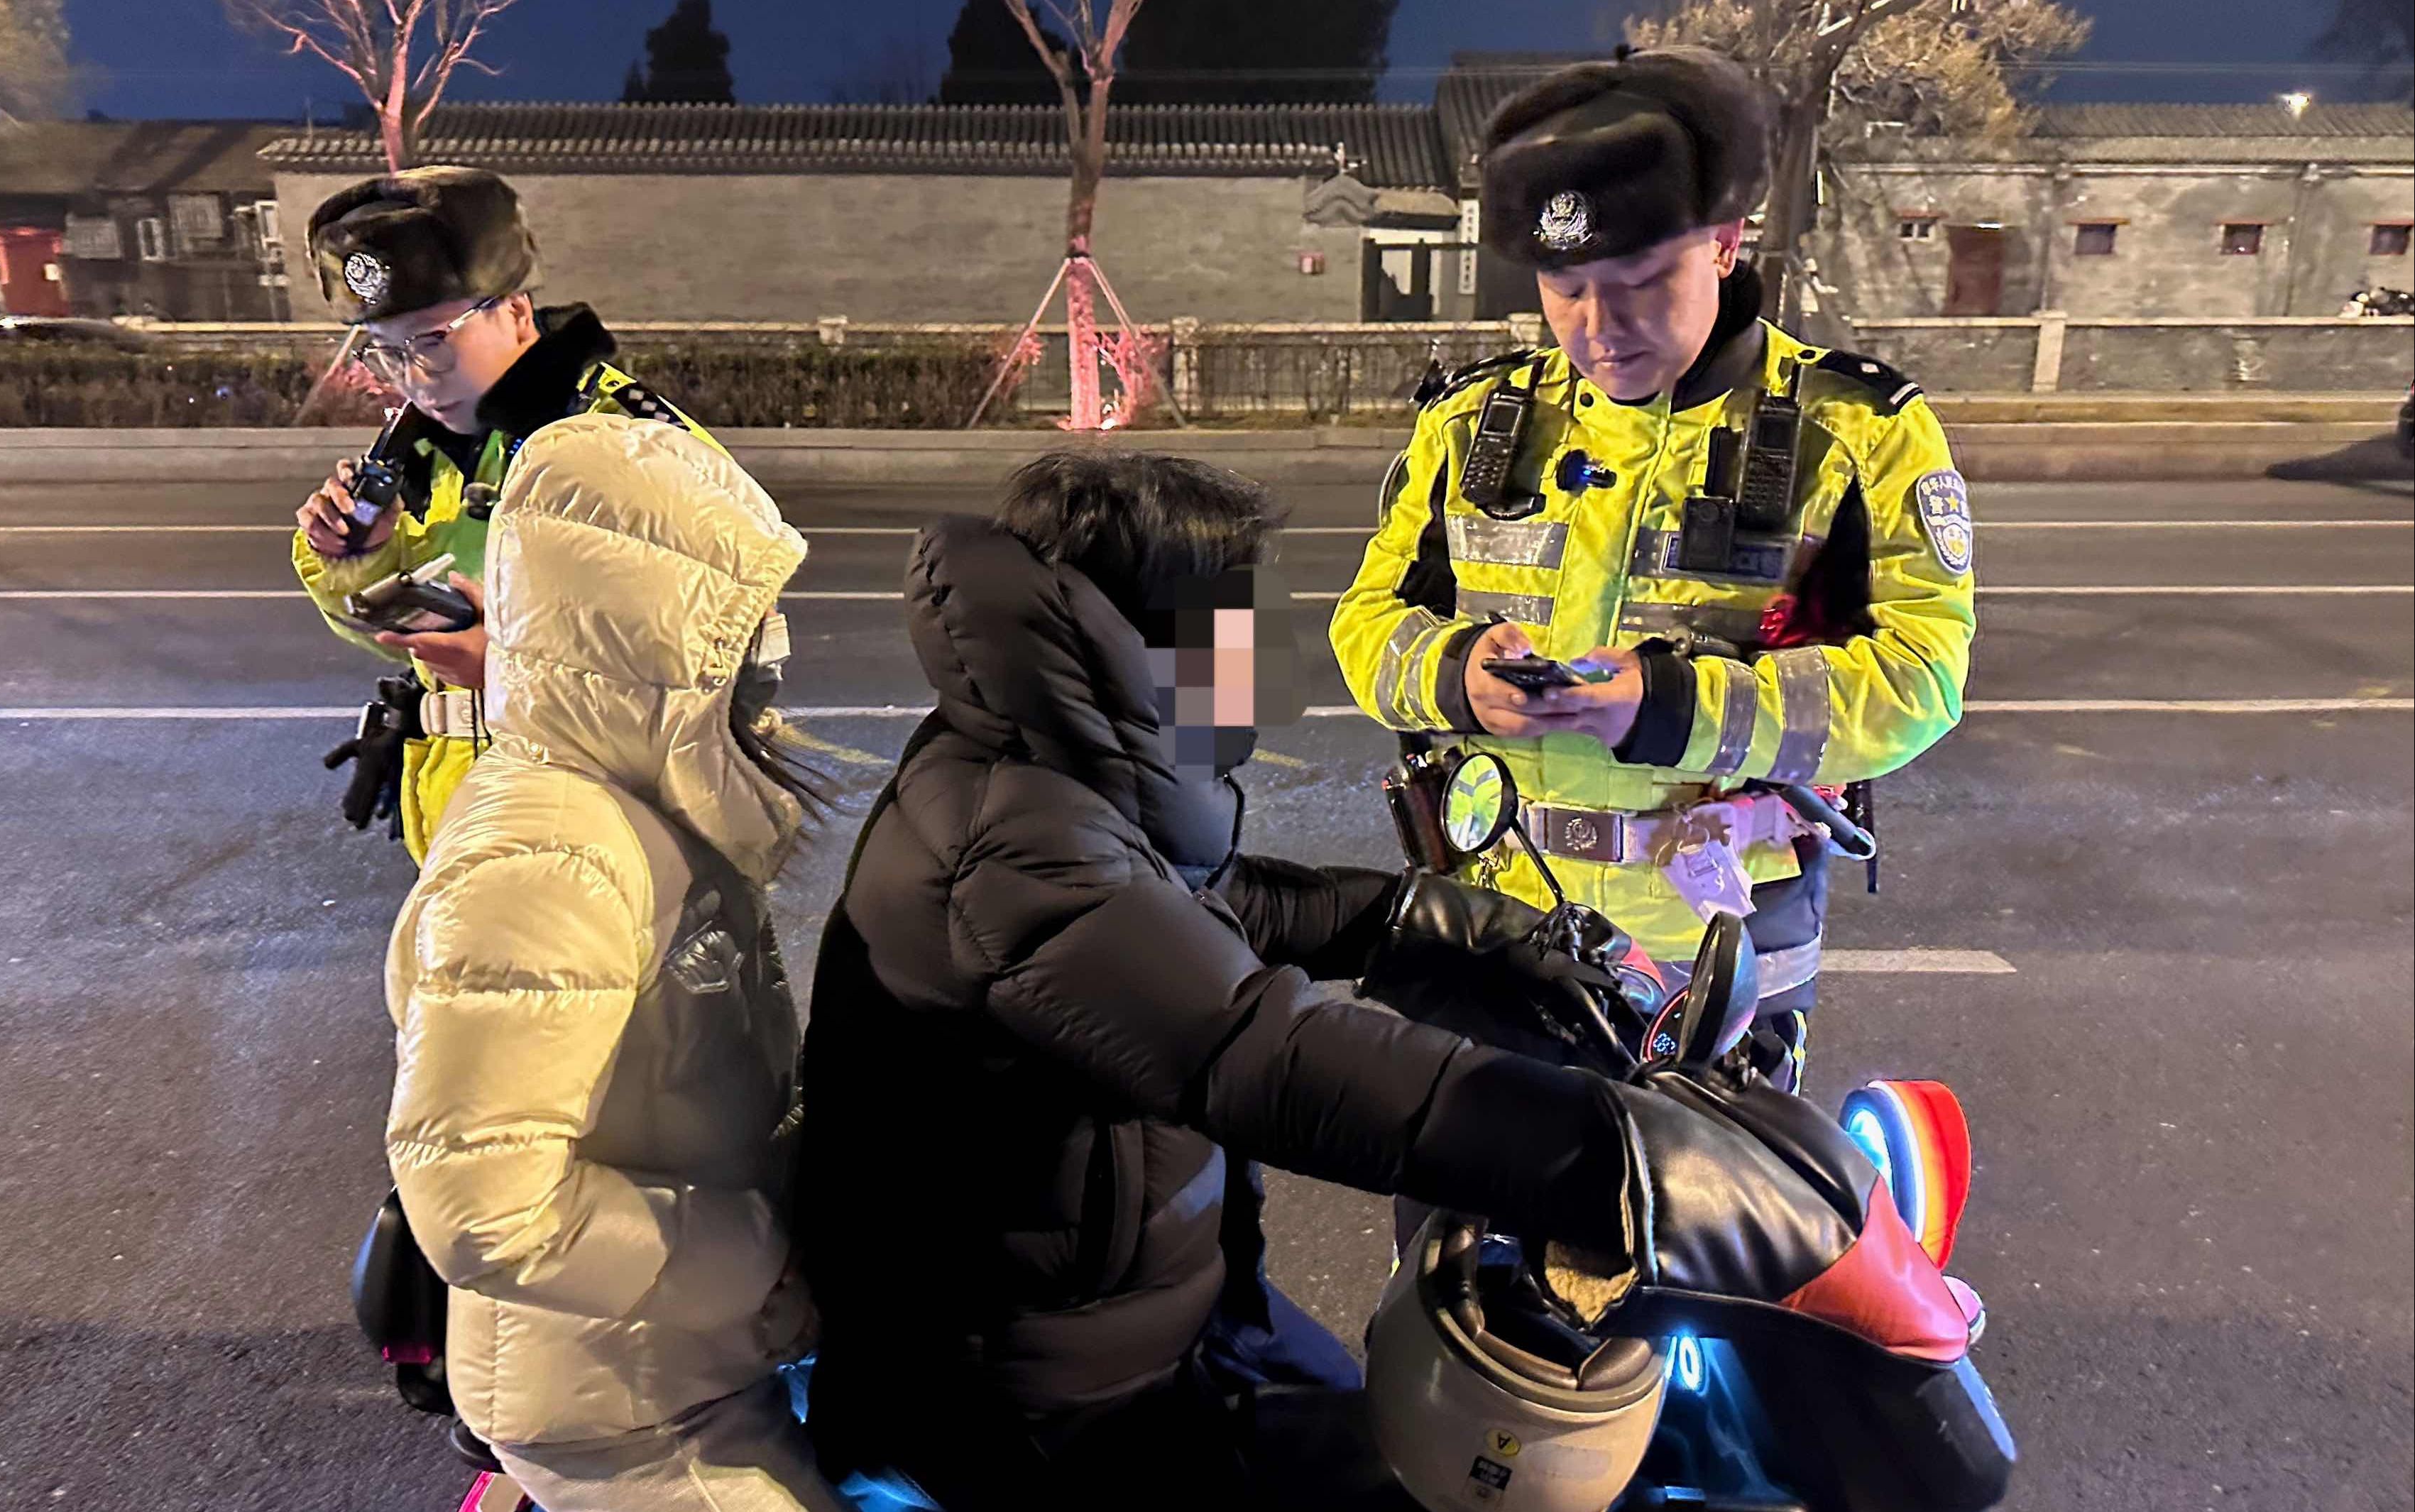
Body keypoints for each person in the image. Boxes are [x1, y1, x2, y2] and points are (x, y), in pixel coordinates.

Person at [794, 451, 1698, 1512]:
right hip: (1028, 1403)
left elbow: (1208, 908)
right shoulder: (1011, 840)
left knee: (1396, 1429)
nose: (1263, 652)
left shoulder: (1051, 764)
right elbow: (1261, 1053)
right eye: (1237, 615)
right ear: (1138, 631)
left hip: (1163, 1316)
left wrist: (1448, 931)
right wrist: (1610, 1154)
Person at [1330, 46, 1977, 1092]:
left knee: (1710, 1197)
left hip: (1723, 932)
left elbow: (1920, 681)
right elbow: (1367, 624)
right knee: (1478, 1191)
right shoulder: (1473, 424)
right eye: (1566, 289)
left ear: (1724, 242)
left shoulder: (1858, 431)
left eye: (1640, 283)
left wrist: (1667, 705)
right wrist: (1457, 676)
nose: (1600, 329)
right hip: (1498, 905)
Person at [381, 411, 843, 1512]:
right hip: (630, 1403)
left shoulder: (637, 802)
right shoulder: (551, 860)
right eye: (740, 627)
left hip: (676, 1354)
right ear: (644, 643)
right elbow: (484, 1201)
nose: (769, 653)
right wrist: (761, 1262)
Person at [295, 165, 713, 863]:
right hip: (467, 819)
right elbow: (406, 639)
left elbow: (724, 647)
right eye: (385, 352)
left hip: (600, 832)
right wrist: (356, 562)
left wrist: (518, 672)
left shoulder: (629, 439)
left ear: (516, 312)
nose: (413, 379)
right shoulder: (427, 449)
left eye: (433, 341)